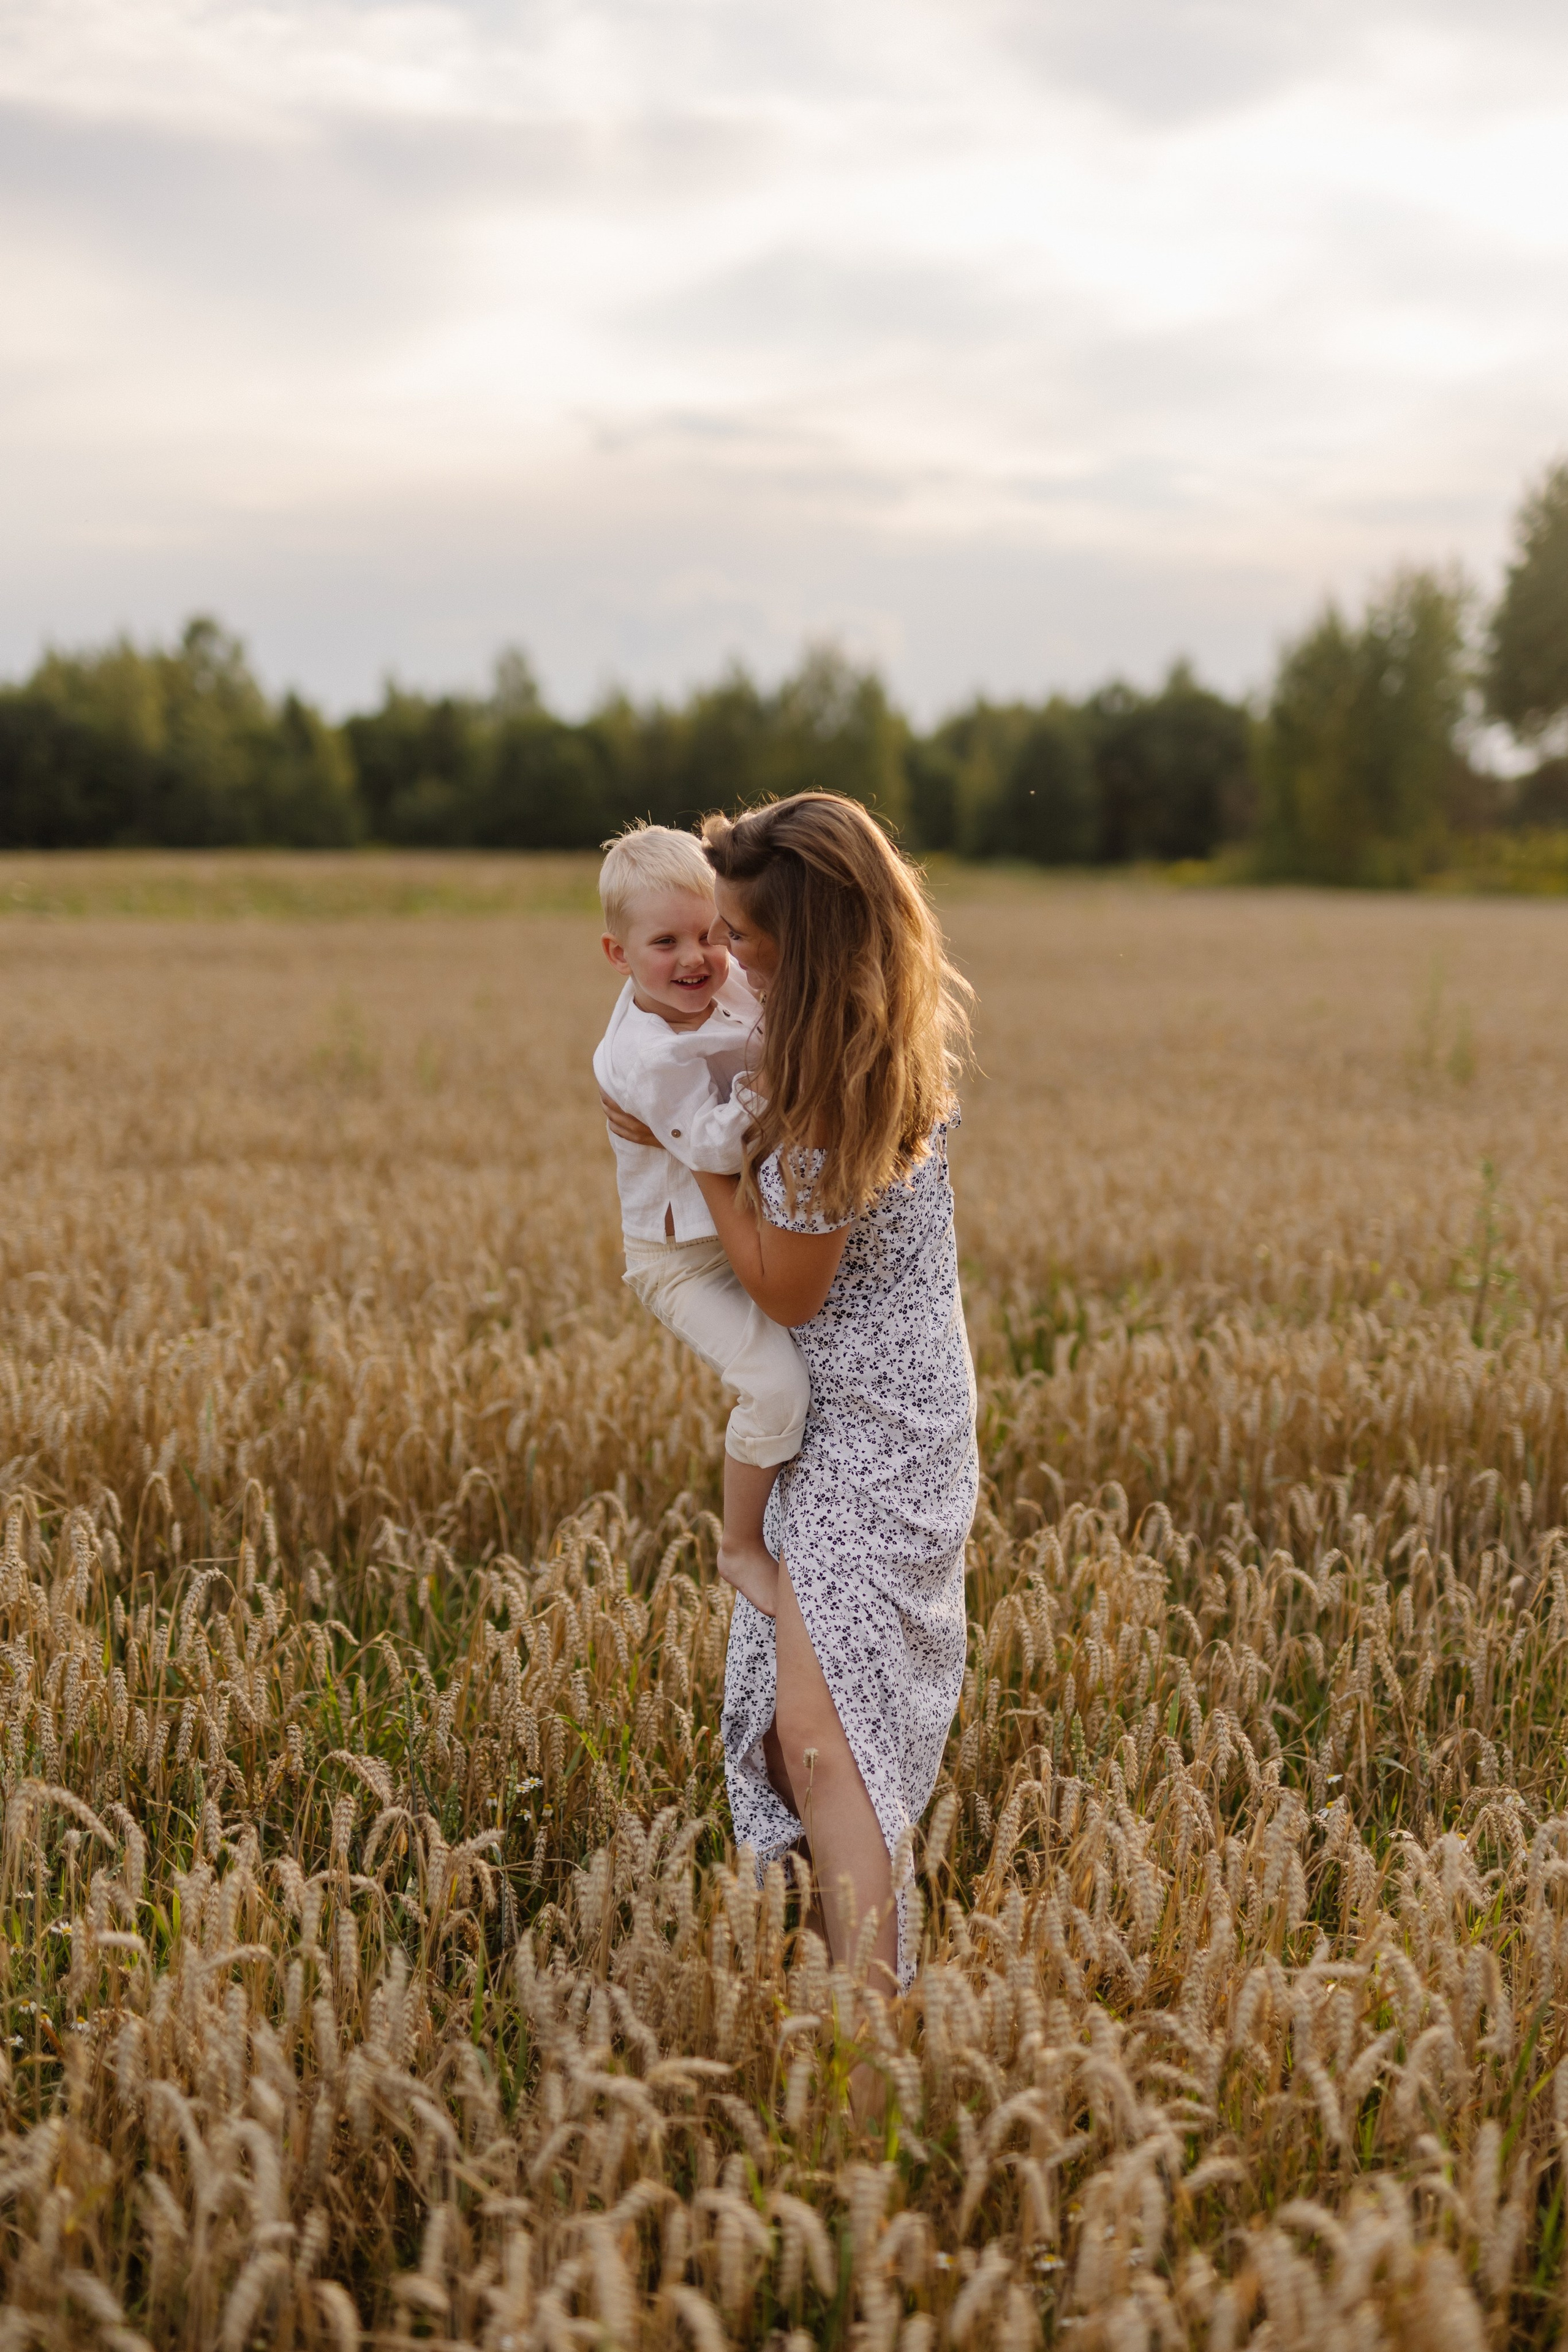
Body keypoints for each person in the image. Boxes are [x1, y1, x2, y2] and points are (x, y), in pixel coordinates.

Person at [600, 794, 978, 1995]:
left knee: (822, 1744)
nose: (727, 959)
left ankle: (867, 2058)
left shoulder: (821, 1107)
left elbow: (785, 1288)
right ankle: (825, 1984)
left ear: (804, 951)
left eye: (748, 943)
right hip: (862, 1402)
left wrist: (688, 1162)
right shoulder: (861, 1029)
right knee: (792, 1727)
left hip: (875, 1431)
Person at [593, 823, 808, 1618]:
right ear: (618, 956)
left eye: (713, 934)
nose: (697, 958)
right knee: (776, 1385)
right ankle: (741, 1547)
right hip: (678, 1258)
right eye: (666, 942)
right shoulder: (643, 1056)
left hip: (744, 1227)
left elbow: (774, 1009)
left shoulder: (724, 985)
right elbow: (715, 1146)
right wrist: (788, 1071)